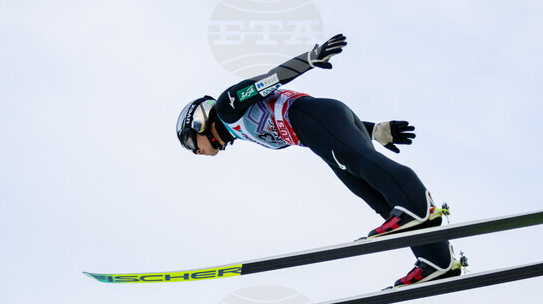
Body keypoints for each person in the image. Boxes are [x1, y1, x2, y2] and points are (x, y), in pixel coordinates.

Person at [175, 34, 466, 287]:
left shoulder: (228, 107)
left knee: (365, 167)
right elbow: (336, 131)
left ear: (200, 120)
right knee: (378, 199)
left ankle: (417, 205)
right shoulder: (238, 130)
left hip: (315, 119)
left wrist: (308, 59)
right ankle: (437, 261)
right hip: (323, 129)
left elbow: (269, 80)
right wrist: (375, 131)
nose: (195, 151)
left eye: (190, 141)